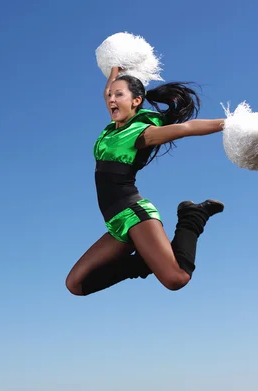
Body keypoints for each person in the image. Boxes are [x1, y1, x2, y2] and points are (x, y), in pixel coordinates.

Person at [65, 66, 226, 296]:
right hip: (115, 222)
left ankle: (192, 216)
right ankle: (144, 261)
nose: (111, 99)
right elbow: (108, 92)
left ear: (136, 100)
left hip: (134, 214)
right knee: (76, 285)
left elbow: (186, 128)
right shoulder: (113, 129)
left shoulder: (142, 133)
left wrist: (229, 124)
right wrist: (114, 67)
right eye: (110, 95)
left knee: (176, 279)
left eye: (118, 95)